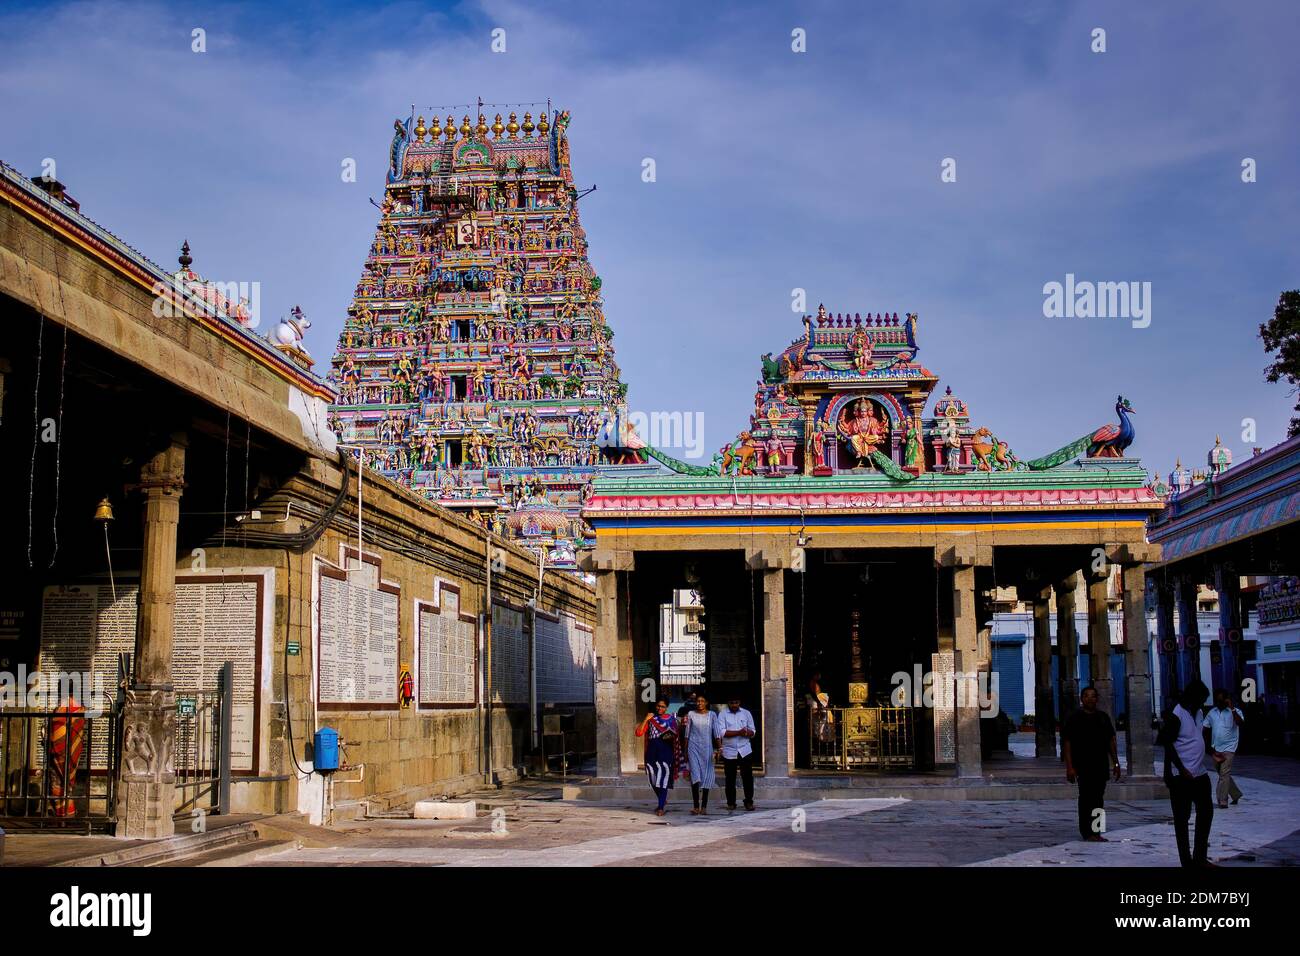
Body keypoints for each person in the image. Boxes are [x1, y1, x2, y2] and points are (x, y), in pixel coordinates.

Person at [1158, 680, 1215, 867]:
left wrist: (1213, 752)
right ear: (1193, 698)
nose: (1203, 703)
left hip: (1199, 773)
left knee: (1206, 812)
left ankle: (1200, 857)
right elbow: (1168, 744)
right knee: (1182, 819)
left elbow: (1197, 738)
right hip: (1181, 776)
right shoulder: (1177, 714)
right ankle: (1186, 861)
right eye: (1201, 699)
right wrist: (1178, 770)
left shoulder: (1197, 712)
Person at [1062, 686, 1121, 842]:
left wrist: (1116, 763)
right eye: (1086, 696)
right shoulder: (1075, 718)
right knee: (1086, 799)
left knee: (1098, 799)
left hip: (1100, 765)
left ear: (1097, 699)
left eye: (1093, 696)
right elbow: (1067, 743)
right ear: (1082, 699)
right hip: (1082, 765)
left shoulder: (1103, 717)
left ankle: (1096, 831)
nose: (1090, 699)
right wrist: (1069, 767)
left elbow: (1111, 741)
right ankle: (1086, 832)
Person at [636, 698, 679, 816]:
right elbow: (638, 733)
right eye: (658, 706)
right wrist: (646, 719)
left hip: (666, 752)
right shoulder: (651, 719)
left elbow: (676, 736)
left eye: (663, 706)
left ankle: (661, 807)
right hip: (652, 752)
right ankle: (662, 799)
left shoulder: (672, 720)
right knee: (653, 779)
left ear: (667, 707)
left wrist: (670, 736)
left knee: (663, 779)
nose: (660, 708)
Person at [1205, 689, 1245, 809]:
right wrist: (1208, 748)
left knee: (1224, 774)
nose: (1220, 703)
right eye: (1218, 701)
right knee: (1223, 773)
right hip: (1216, 748)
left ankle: (1222, 800)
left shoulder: (1236, 712)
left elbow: (1240, 723)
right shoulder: (1212, 713)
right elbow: (1205, 728)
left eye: (1222, 700)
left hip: (1230, 747)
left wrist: (1232, 709)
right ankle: (1236, 794)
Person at [715, 697, 757, 811]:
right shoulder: (722, 714)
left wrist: (748, 732)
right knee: (730, 778)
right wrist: (739, 732)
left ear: (740, 702)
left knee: (747, 777)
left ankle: (748, 801)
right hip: (729, 750)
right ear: (728, 702)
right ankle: (731, 803)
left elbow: (753, 731)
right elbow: (722, 732)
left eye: (736, 702)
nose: (734, 705)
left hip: (745, 750)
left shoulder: (746, 713)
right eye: (732, 702)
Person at [683, 695, 721, 815]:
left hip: (707, 749)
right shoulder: (690, 714)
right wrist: (685, 751)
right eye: (697, 701)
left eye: (702, 701)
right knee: (695, 776)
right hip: (693, 748)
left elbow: (717, 732)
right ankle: (696, 806)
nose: (699, 703)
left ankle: (704, 806)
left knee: (706, 776)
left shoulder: (712, 715)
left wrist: (720, 747)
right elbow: (687, 733)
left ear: (706, 702)